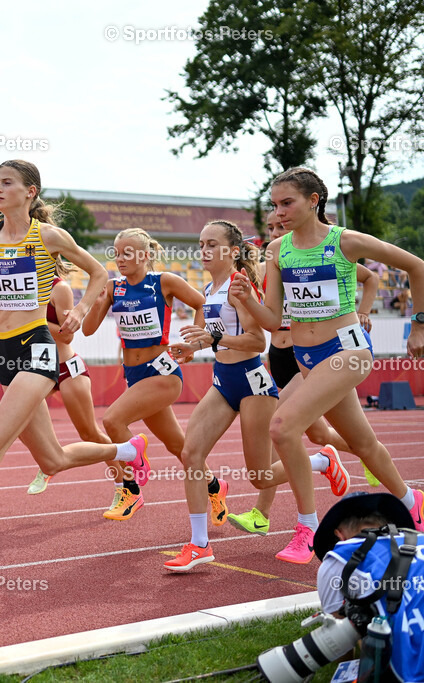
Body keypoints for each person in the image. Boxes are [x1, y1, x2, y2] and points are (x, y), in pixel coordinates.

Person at [0, 160, 144, 605]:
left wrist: (78, 312)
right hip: (1, 352)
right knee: (54, 459)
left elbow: (100, 273)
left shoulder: (47, 237)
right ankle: (126, 450)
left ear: (31, 192)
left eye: (7, 184)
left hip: (36, 348)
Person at [231, 166, 424, 564]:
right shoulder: (276, 250)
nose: (279, 212)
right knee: (363, 443)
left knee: (282, 427)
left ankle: (307, 530)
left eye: (288, 203)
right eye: (275, 205)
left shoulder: (345, 241)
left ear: (313, 201)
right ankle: (412, 502)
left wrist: (418, 327)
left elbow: (417, 266)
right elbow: (272, 319)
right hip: (306, 359)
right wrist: (246, 300)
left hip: (348, 350)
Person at [229, 211, 383, 537]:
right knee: (317, 435)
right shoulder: (264, 271)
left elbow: (369, 277)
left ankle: (264, 511)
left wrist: (363, 312)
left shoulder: (315, 259)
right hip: (281, 354)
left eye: (277, 226)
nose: (275, 232)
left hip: (317, 353)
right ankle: (344, 456)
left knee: (287, 426)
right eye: (269, 229)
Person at [160, 220, 290, 571]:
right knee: (191, 454)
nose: (204, 250)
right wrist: (193, 348)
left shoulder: (237, 285)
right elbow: (216, 338)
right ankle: (199, 544)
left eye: (212, 244)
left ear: (233, 251)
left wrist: (213, 340)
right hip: (223, 380)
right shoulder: (210, 286)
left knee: (260, 476)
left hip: (252, 383)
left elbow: (256, 341)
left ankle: (322, 461)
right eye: (201, 244)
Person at [78, 227, 210, 523]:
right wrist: (99, 300)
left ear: (145, 255)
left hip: (163, 373)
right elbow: (87, 330)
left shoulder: (164, 282)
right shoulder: (114, 288)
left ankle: (130, 489)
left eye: (127, 253)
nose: (120, 258)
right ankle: (214, 486)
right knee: (178, 446)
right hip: (134, 375)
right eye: (116, 252)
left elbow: (202, 303)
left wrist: (193, 345)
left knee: (113, 420)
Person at [314, 492, 422, 682]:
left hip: (411, 668)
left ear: (339, 534)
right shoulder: (419, 540)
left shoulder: (341, 557)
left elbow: (337, 628)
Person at [24, 264, 112, 494]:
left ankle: (126, 479)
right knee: (20, 419)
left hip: (66, 367)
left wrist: (36, 320)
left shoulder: (59, 289)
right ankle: (49, 461)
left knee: (89, 432)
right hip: (39, 367)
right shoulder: (22, 289)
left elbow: (67, 335)